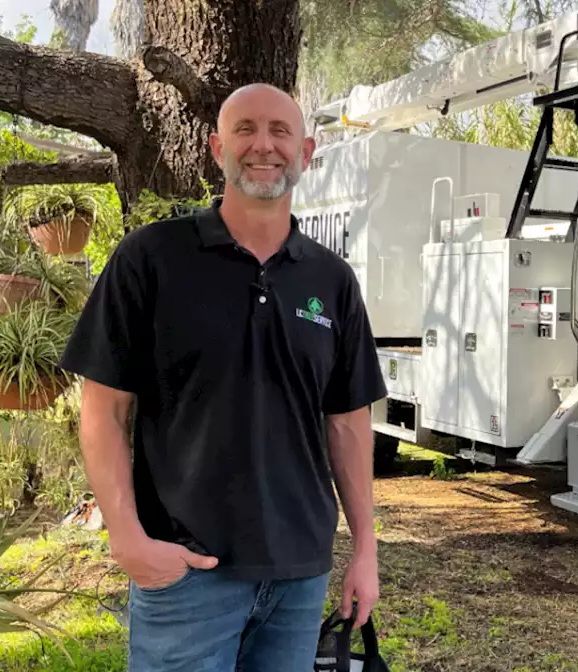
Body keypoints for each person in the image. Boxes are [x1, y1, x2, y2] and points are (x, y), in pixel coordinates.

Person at [59, 83, 387, 671]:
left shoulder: (331, 280)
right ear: (217, 148)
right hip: (185, 574)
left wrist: (364, 549)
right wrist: (127, 538)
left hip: (298, 576)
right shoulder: (151, 258)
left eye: (280, 132)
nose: (264, 146)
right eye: (245, 130)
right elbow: (103, 408)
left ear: (306, 152)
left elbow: (347, 421)